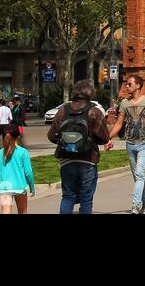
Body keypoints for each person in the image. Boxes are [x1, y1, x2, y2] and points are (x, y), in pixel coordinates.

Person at [46, 79, 110, 215]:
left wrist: (66, 143)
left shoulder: (63, 110)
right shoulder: (94, 112)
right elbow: (104, 137)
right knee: (86, 199)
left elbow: (51, 136)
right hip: (88, 160)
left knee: (67, 196)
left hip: (66, 160)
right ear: (91, 94)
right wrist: (90, 141)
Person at [106, 74, 145, 215]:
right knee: (137, 176)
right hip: (130, 143)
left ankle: (136, 205)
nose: (127, 86)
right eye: (127, 84)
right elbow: (119, 123)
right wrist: (109, 138)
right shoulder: (125, 103)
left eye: (129, 84)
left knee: (139, 174)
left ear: (138, 85)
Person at [0, 125, 34, 214]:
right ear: (18, 136)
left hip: (4, 186)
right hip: (19, 186)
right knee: (22, 211)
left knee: (6, 211)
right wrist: (31, 186)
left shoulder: (0, 153)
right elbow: (28, 173)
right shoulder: (23, 152)